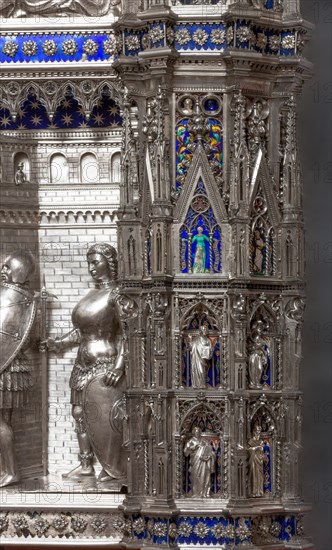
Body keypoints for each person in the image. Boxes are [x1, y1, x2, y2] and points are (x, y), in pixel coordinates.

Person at [44, 242, 133, 481]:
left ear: (110, 263)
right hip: (82, 362)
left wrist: (119, 365)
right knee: (79, 413)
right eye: (89, 263)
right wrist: (58, 343)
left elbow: (128, 332)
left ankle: (111, 467)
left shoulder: (117, 294)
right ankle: (85, 465)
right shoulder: (92, 294)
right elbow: (81, 332)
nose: (91, 268)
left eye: (96, 262)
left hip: (105, 362)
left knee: (105, 415)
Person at [0, 250, 36, 488]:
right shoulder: (25, 297)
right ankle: (7, 470)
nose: (3, 270)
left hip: (6, 367)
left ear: (19, 270)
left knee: (1, 422)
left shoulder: (10, 297)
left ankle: (12, 471)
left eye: (7, 267)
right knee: (4, 421)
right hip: (13, 367)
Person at [184, 427, 215, 498]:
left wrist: (208, 454)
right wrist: (193, 448)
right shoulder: (190, 441)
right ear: (193, 432)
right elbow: (186, 453)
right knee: (195, 477)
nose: (197, 433)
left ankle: (204, 493)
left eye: (198, 431)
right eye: (195, 431)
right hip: (195, 462)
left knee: (204, 476)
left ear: (200, 432)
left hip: (204, 462)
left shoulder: (203, 441)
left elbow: (210, 449)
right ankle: (195, 493)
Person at [248, 424, 264, 497]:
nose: (258, 433)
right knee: (254, 475)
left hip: (259, 460)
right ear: (254, 432)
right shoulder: (251, 441)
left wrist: (259, 449)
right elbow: (248, 450)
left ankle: (259, 491)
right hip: (253, 460)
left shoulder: (261, 441)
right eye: (257, 431)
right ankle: (253, 492)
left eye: (259, 431)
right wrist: (255, 448)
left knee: (259, 476)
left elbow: (262, 451)